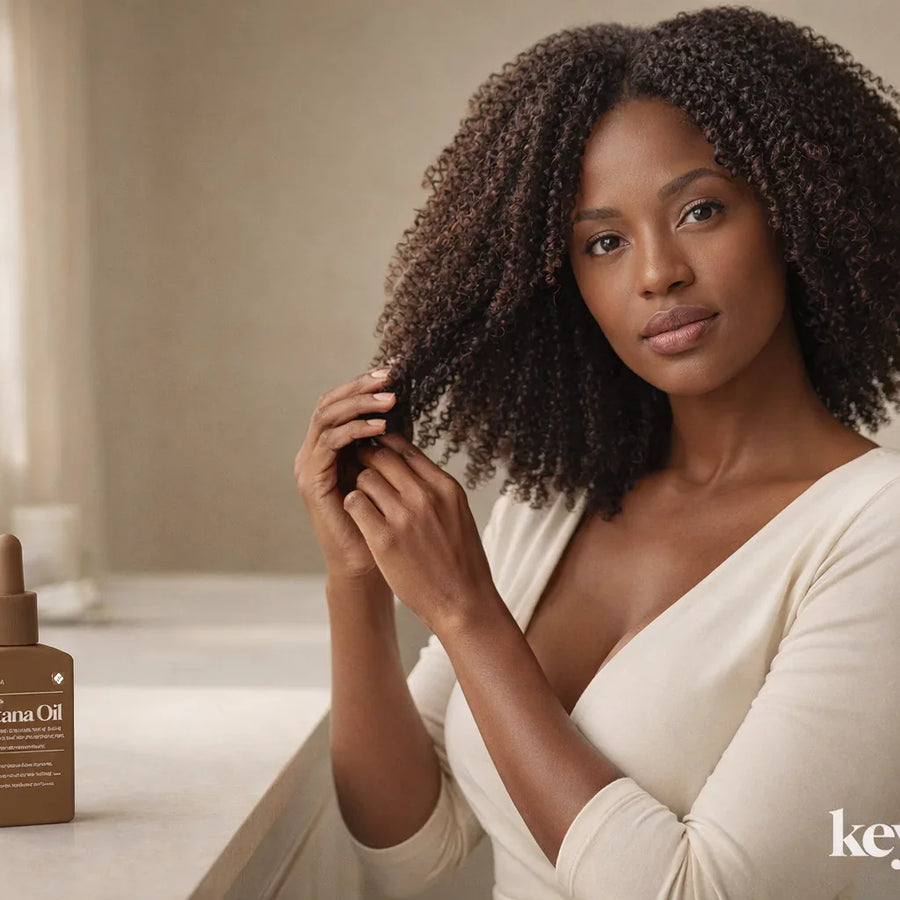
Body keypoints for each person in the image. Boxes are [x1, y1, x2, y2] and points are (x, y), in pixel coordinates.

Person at [294, 6, 900, 898]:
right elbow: (408, 846)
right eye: (603, 242)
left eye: (700, 209)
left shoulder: (874, 530)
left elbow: (696, 892)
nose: (657, 271)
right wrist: (357, 580)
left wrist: (468, 615)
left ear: (796, 213)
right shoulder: (554, 507)